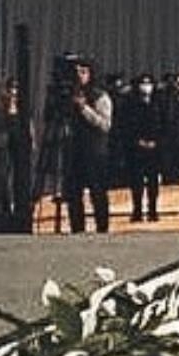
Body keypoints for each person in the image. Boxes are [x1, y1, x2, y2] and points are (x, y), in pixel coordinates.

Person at [63, 58, 112, 233]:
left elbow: (105, 124)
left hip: (94, 151)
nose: (79, 76)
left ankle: (102, 228)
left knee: (97, 192)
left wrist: (84, 109)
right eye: (76, 72)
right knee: (73, 193)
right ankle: (77, 228)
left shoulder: (100, 96)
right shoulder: (67, 95)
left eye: (83, 72)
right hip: (73, 150)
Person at [125, 72, 164, 222]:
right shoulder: (131, 103)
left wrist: (157, 142)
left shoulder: (158, 103)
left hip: (155, 148)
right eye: (143, 83)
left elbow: (164, 125)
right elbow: (127, 126)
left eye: (149, 83)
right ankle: (137, 211)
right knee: (136, 182)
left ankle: (153, 210)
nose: (146, 87)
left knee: (153, 182)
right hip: (136, 149)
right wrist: (137, 141)